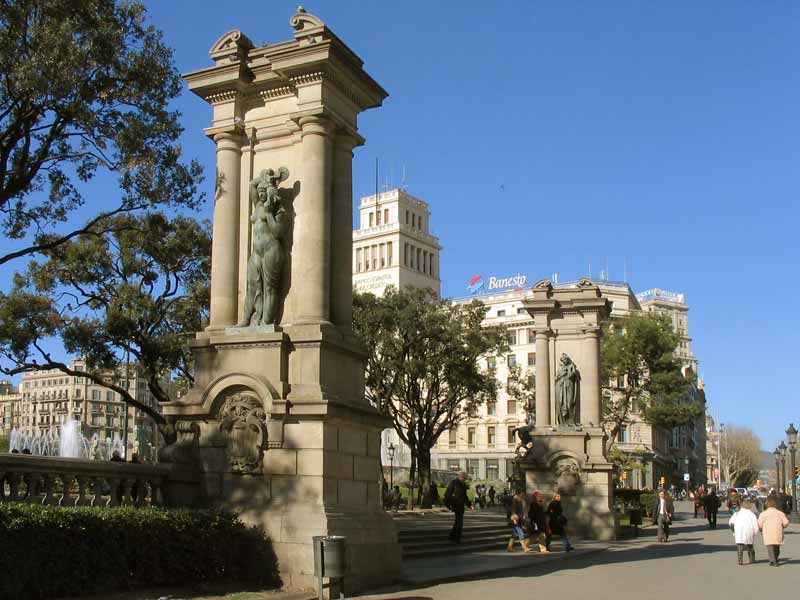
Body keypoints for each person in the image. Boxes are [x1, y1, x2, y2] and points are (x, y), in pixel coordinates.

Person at [758, 494, 789, 566]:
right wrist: (783, 526)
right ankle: (776, 558)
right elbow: (786, 522)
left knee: (770, 547)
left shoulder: (763, 514)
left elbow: (759, 524)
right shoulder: (780, 513)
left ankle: (772, 560)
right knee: (776, 547)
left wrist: (760, 528)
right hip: (778, 532)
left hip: (767, 533)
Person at [444, 472, 472, 543]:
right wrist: (449, 504)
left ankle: (452, 536)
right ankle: (457, 538)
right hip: (455, 504)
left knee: (458, 522)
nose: (465, 480)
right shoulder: (453, 483)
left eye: (465, 479)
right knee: (459, 522)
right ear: (461, 477)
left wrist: (469, 505)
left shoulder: (463, 484)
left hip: (461, 505)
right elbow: (447, 494)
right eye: (464, 478)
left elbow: (465, 496)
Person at [729, 499, 759, 565]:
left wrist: (733, 530)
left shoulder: (737, 513)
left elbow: (731, 522)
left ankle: (740, 561)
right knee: (750, 545)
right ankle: (751, 559)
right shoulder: (752, 514)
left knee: (739, 545)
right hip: (749, 530)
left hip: (739, 530)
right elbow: (755, 524)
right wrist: (755, 532)